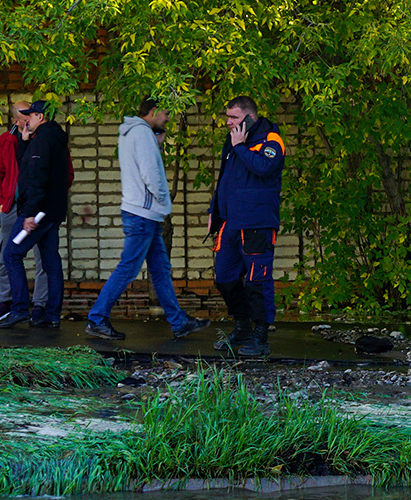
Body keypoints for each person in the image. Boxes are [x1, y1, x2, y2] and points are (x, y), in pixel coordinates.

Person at [84, 100, 208, 341]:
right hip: (142, 213)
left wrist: (157, 144)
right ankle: (97, 318)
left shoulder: (133, 133)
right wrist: (162, 199)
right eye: (166, 113)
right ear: (153, 112)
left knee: (160, 270)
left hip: (142, 213)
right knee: (128, 268)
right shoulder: (141, 133)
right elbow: (150, 172)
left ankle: (179, 321)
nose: (168, 118)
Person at [209, 96, 284, 357]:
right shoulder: (232, 141)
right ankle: (241, 327)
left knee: (257, 281)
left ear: (250, 118)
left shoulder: (271, 140)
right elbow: (225, 178)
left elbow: (263, 168)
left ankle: (260, 337)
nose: (228, 122)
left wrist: (240, 147)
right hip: (230, 222)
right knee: (224, 277)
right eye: (227, 117)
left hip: (256, 223)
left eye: (234, 118)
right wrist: (214, 211)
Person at [0, 100, 70, 329]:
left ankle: (19, 309)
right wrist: (25, 144)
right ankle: (52, 315)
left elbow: (35, 179)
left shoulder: (42, 141)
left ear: (41, 117)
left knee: (11, 255)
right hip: (53, 211)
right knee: (51, 262)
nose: (27, 120)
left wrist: (29, 214)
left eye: (31, 116)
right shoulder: (55, 139)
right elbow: (34, 169)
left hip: (36, 214)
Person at [0, 101, 49, 323]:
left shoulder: (44, 137)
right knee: (6, 255)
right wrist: (2, 202)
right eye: (24, 116)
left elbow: (63, 172)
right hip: (12, 207)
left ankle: (40, 305)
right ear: (15, 121)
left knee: (43, 258)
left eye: (30, 114)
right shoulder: (6, 141)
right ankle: (5, 302)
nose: (28, 119)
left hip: (39, 207)